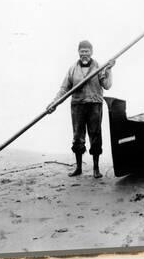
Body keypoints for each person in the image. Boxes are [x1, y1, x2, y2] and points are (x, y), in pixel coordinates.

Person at [47, 40, 115, 178]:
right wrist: (54, 103)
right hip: (77, 105)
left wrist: (109, 70)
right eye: (82, 51)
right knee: (78, 136)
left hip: (94, 105)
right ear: (78, 52)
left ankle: (96, 169)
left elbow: (107, 85)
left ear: (91, 52)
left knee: (95, 135)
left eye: (87, 51)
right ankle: (78, 168)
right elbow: (64, 88)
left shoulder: (99, 67)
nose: (84, 54)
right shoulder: (72, 68)